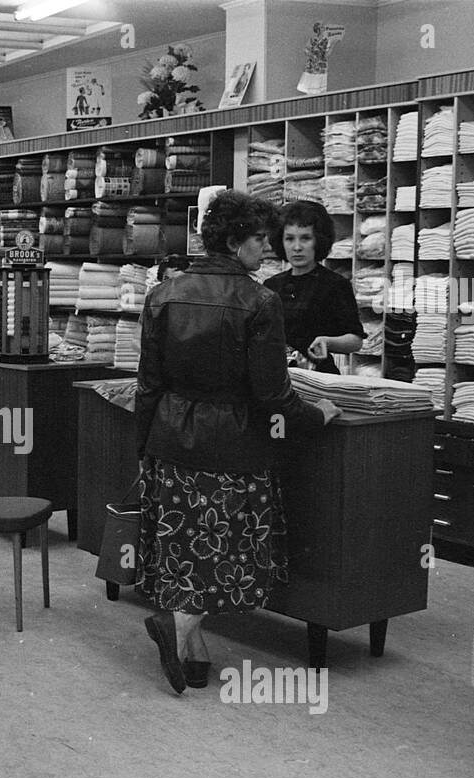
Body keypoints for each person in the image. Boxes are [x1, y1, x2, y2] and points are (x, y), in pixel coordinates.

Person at [135, 190, 341, 696]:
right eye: (257, 240)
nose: (266, 250)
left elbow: (148, 384)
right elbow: (273, 395)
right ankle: (178, 624)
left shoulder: (163, 294)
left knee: (186, 545)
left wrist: (143, 445)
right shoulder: (260, 301)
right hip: (232, 446)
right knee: (229, 550)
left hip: (171, 437)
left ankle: (194, 651)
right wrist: (317, 416)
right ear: (232, 241)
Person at [264, 200, 365, 374]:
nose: (297, 247)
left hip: (318, 378)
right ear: (280, 241)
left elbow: (355, 340)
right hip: (278, 377)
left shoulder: (334, 284)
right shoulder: (271, 285)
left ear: (318, 241)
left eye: (305, 238)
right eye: (289, 239)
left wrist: (327, 341)